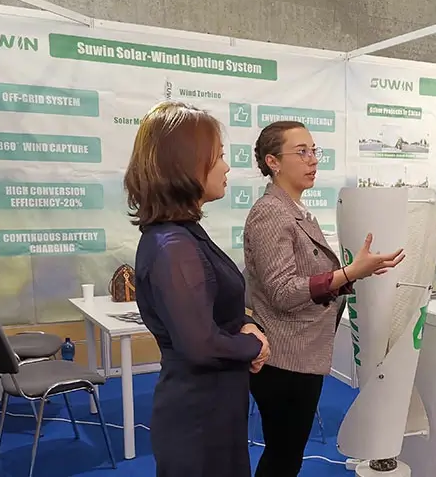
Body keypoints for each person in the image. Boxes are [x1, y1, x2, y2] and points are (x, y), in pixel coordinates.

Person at [244, 120, 404, 477]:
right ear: (273, 162)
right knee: (283, 458)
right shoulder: (272, 212)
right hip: (285, 359)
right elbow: (283, 292)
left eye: (313, 150)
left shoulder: (295, 211)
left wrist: (354, 274)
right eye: (301, 152)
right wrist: (348, 273)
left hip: (301, 354)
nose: (313, 159)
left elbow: (307, 280)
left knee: (286, 457)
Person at [124, 101, 270, 477]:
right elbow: (200, 344)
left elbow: (214, 311)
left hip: (215, 410)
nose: (227, 166)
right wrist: (253, 345)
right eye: (218, 156)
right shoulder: (173, 246)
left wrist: (246, 326)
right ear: (186, 164)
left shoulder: (184, 234)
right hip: (198, 419)